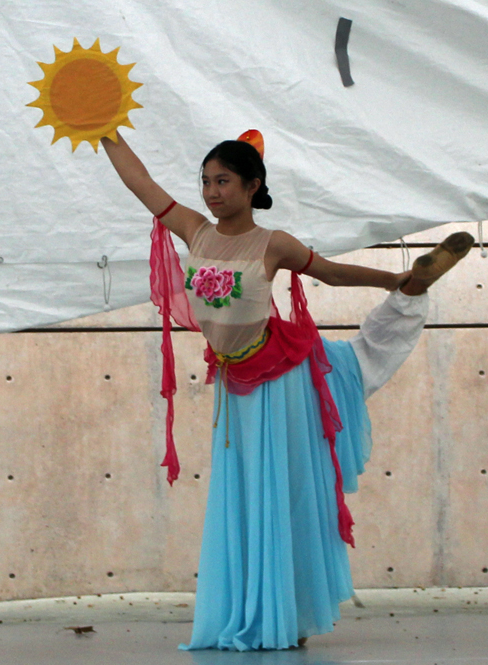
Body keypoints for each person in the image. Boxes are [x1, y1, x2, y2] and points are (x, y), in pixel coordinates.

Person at [100, 131, 474, 651]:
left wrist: (391, 279)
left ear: (253, 186)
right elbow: (141, 183)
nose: (211, 192)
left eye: (223, 181)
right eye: (206, 181)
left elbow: (333, 273)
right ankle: (257, 609)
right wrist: (106, 131)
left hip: (281, 380)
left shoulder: (273, 243)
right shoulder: (196, 231)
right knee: (248, 497)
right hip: (234, 384)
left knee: (279, 492)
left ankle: (410, 288)